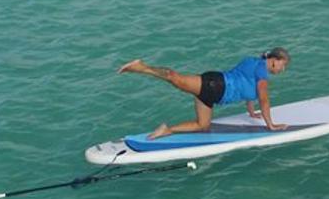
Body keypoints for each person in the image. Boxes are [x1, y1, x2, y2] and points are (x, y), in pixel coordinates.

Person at [118, 48, 292, 139]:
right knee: (176, 79)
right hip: (216, 86)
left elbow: (246, 87)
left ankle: (167, 130)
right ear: (274, 60)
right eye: (282, 65)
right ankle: (141, 67)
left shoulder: (253, 63)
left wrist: (251, 111)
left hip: (213, 91)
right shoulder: (263, 72)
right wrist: (271, 125)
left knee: (203, 125)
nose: (282, 70)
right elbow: (264, 98)